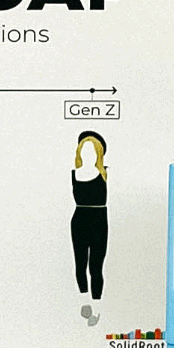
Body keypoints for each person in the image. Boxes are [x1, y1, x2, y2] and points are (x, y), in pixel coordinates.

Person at [71, 131, 109, 327]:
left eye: (92, 151)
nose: (88, 155)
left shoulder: (104, 173)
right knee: (80, 264)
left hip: (99, 221)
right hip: (79, 220)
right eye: (84, 151)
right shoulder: (75, 173)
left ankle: (98, 307)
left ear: (98, 153)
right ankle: (84, 302)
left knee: (96, 266)